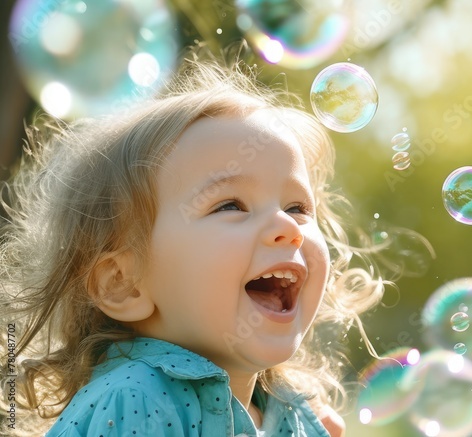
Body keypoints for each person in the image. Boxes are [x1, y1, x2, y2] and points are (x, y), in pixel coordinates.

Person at [2, 55, 385, 436]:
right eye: (231, 205)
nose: (287, 226)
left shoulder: (291, 413)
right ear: (123, 283)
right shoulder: (137, 399)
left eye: (297, 207)